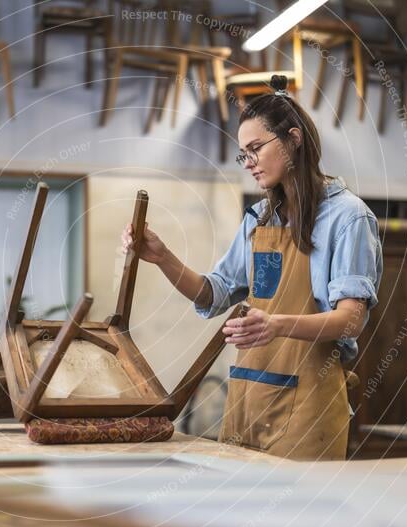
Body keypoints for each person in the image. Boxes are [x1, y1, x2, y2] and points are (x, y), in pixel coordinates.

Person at [121, 75, 383, 460]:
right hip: (250, 397)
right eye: (244, 154)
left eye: (256, 148)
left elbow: (350, 320)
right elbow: (215, 293)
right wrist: (163, 257)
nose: (249, 163)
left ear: (294, 139)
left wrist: (276, 324)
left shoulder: (349, 218)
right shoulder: (259, 218)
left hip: (310, 408)